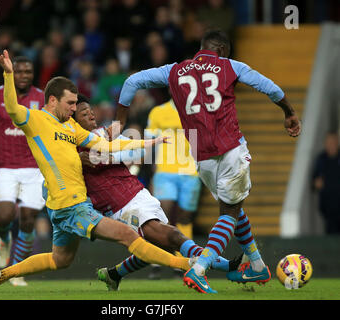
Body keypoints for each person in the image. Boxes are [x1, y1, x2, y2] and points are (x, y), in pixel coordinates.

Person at [0, 49, 194, 294]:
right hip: (72, 206)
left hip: (62, 206)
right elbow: (12, 108)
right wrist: (8, 75)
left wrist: (147, 143)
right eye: (71, 103)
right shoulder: (35, 120)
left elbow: (106, 146)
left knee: (59, 260)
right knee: (128, 235)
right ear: (52, 100)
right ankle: (188, 265)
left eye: (76, 103)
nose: (75, 108)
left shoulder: (70, 128)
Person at [110, 29, 302, 293]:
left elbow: (132, 82)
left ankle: (257, 266)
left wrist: (119, 121)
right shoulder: (230, 66)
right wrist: (289, 112)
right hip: (231, 150)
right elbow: (270, 88)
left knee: (233, 207)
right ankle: (200, 269)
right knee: (229, 212)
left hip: (202, 159)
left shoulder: (174, 70)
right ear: (222, 50)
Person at [73, 94, 242, 290]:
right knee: (172, 236)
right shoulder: (74, 148)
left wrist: (128, 95)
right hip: (120, 205)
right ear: (73, 121)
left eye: (91, 111)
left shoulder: (102, 133)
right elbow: (106, 155)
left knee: (161, 245)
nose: (91, 115)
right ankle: (227, 266)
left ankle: (114, 274)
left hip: (137, 193)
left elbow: (126, 137)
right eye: (84, 114)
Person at [0, 55, 46, 287]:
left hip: (35, 168)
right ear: (11, 72)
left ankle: (15, 272)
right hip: (4, 165)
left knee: (28, 218)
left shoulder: (42, 98)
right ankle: (4, 237)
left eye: (28, 72)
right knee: (5, 215)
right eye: (19, 71)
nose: (24, 76)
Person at [145, 98, 202, 279]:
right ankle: (157, 261)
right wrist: (150, 171)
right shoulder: (158, 111)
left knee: (185, 217)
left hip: (191, 171)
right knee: (164, 215)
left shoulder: (198, 110)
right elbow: (149, 143)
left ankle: (183, 262)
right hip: (165, 170)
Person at [312, 132, 340, 234]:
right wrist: (316, 183)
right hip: (328, 207)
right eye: (328, 142)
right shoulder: (321, 159)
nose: (331, 145)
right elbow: (314, 180)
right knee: (331, 235)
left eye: (333, 142)